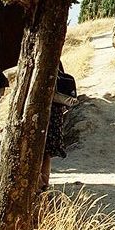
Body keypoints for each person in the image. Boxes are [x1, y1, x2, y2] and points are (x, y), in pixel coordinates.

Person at [39, 63, 73, 192]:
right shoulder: (56, 62)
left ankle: (39, 182)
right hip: (56, 111)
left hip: (45, 110)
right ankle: (44, 183)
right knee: (46, 152)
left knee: (39, 149)